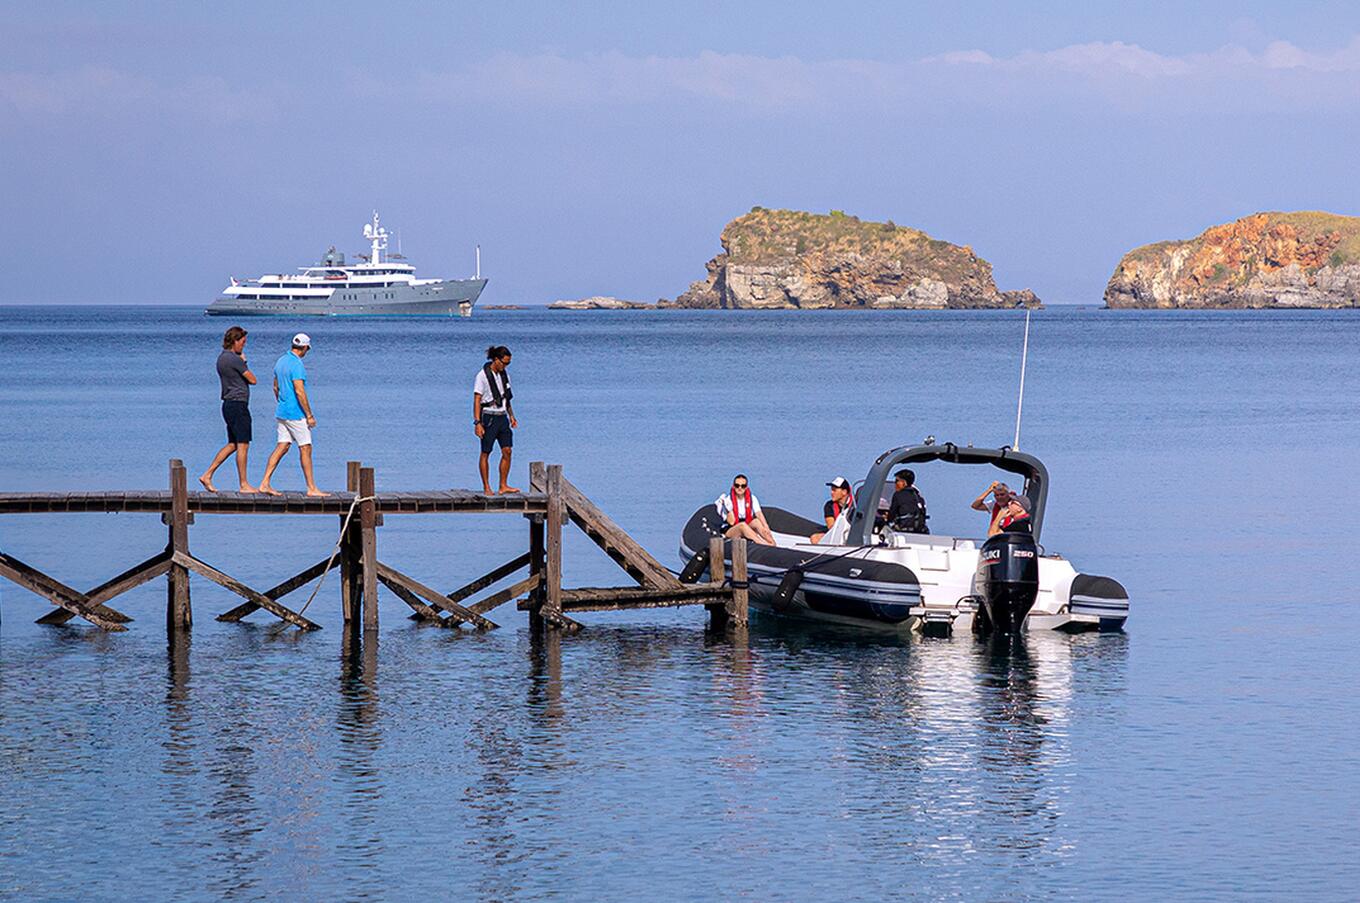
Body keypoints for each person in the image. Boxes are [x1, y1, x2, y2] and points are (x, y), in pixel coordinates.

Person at [259, 333, 328, 497]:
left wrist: (281, 402)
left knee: (283, 446)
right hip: (296, 413)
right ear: (304, 348)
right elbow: (299, 391)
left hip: (282, 411)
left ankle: (265, 483)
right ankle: (311, 488)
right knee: (305, 447)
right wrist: (309, 415)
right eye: (307, 349)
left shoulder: (281, 361)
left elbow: (275, 387)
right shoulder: (297, 365)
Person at [199, 326, 258, 493]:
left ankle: (207, 474)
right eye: (243, 342)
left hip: (228, 404)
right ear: (235, 341)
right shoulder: (235, 359)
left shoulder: (221, 358)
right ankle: (244, 484)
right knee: (243, 445)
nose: (243, 346)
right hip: (238, 405)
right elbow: (253, 380)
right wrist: (244, 361)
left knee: (233, 444)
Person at [474, 345, 519, 494]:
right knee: (486, 452)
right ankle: (486, 487)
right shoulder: (482, 376)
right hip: (488, 417)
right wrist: (477, 422)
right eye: (504, 363)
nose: (506, 366)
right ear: (496, 359)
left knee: (507, 451)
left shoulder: (504, 375)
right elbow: (477, 399)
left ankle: (503, 485)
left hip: (502, 417)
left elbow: (506, 398)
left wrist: (512, 415)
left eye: (508, 363)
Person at [715, 474, 775, 545]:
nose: (740, 488)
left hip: (747, 525)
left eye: (743, 486)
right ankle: (761, 543)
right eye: (737, 485)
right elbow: (731, 522)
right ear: (733, 486)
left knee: (756, 521)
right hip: (731, 529)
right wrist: (729, 509)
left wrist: (766, 527)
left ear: (746, 487)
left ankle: (772, 543)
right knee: (742, 525)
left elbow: (759, 513)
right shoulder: (728, 500)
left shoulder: (752, 498)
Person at [810, 476, 855, 544]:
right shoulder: (829, 505)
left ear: (844, 492)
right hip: (838, 534)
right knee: (815, 538)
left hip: (853, 533)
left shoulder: (856, 504)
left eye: (834, 490)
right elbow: (831, 526)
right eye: (831, 490)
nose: (831, 492)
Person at [886, 469, 929, 534]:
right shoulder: (918, 496)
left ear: (904, 482)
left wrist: (887, 517)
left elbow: (891, 516)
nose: (895, 483)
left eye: (897, 481)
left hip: (904, 531)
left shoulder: (898, 495)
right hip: (920, 531)